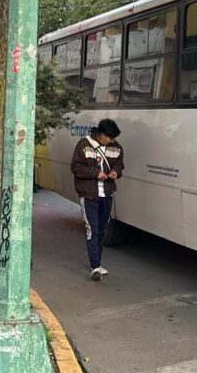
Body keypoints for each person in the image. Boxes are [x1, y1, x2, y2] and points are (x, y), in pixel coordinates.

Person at [70, 119, 124, 282]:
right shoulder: (84, 145)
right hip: (89, 194)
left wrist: (115, 172)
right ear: (101, 135)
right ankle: (95, 266)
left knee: (102, 228)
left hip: (107, 194)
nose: (112, 141)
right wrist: (95, 173)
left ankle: (98, 263)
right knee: (92, 229)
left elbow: (120, 165)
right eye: (110, 138)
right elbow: (76, 167)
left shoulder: (117, 147)